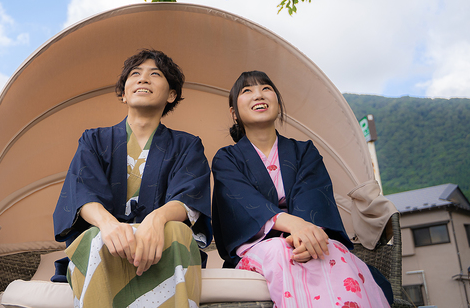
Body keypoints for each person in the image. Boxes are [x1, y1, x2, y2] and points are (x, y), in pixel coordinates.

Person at [212, 71, 392, 308]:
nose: (258, 95)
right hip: (259, 246)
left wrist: (306, 234)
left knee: (334, 251)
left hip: (311, 237)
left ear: (278, 103)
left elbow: (314, 196)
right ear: (234, 113)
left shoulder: (304, 151)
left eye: (266, 89)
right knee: (278, 251)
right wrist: (293, 226)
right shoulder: (227, 158)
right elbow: (241, 202)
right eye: (247, 91)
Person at [53, 49, 212, 308]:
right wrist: (108, 225)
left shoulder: (187, 145)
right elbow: (82, 193)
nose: (143, 79)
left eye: (155, 74)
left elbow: (188, 197)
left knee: (175, 230)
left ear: (172, 95)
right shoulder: (93, 140)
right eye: (135, 74)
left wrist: (156, 220)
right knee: (96, 238)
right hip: (106, 241)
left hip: (163, 245)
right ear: (123, 94)